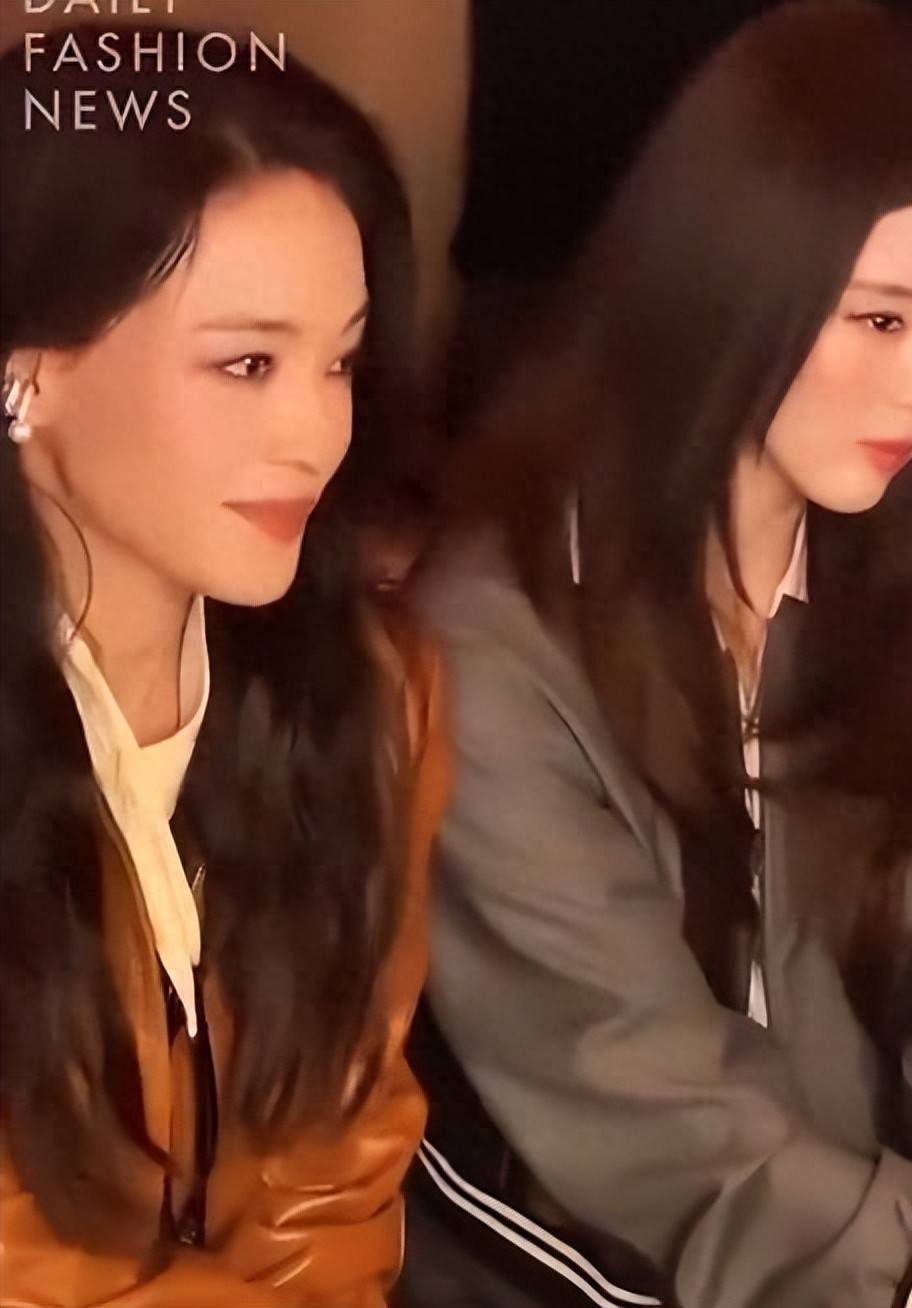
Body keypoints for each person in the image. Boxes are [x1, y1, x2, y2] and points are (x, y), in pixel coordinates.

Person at [401, 4, 912, 1306]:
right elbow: (654, 1125)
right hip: (571, 1257)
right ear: (723, 282)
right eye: (882, 320)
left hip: (860, 1248)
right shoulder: (490, 637)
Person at [0, 25, 447, 1306]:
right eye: (246, 363)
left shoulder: (371, 692)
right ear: (25, 376)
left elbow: (339, 1171)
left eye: (340, 361)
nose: (317, 430)